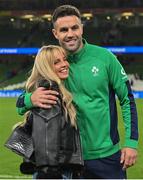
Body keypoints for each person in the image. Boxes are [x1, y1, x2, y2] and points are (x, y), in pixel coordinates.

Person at [16, 5, 138, 179]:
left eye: (74, 27)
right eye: (63, 30)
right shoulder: (53, 63)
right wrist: (30, 98)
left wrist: (131, 143)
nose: (70, 34)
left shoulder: (105, 58)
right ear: (55, 33)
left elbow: (127, 100)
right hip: (67, 160)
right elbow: (20, 103)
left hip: (106, 156)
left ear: (81, 28)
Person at [17, 45, 83, 179]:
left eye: (64, 59)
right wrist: (49, 172)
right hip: (55, 172)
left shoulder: (50, 89)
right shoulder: (49, 94)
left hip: (59, 169)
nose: (64, 64)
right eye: (56, 62)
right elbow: (47, 138)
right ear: (46, 67)